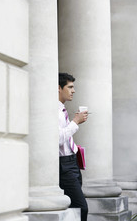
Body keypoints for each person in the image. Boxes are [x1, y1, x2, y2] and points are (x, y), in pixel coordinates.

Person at [58, 73, 88, 221]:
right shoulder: (53, 111)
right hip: (64, 165)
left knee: (75, 209)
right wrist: (75, 122)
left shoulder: (62, 109)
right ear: (58, 88)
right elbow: (57, 139)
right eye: (70, 87)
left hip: (72, 162)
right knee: (81, 207)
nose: (73, 91)